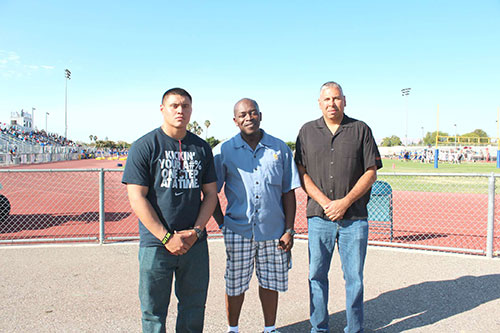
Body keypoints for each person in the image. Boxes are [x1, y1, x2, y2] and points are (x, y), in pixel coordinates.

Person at [122, 87, 218, 332]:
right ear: (162, 109)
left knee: (193, 309)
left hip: (194, 243)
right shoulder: (144, 146)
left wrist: (196, 231)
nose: (180, 110)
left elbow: (210, 194)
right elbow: (137, 198)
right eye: (174, 105)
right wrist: (166, 237)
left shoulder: (201, 148)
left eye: (185, 106)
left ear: (191, 110)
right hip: (156, 245)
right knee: (153, 313)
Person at [295, 81, 383, 333]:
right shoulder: (307, 131)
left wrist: (344, 202)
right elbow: (302, 173)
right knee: (316, 276)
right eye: (326, 99)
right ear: (319, 103)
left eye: (336, 98)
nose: (331, 103)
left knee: (354, 279)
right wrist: (325, 203)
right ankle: (319, 328)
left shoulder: (360, 129)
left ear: (344, 100)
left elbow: (371, 172)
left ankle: (354, 328)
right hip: (319, 218)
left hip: (354, 218)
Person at [213, 98, 301, 333]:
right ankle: (233, 329)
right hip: (238, 231)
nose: (248, 118)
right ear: (235, 120)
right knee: (235, 285)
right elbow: (211, 192)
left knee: (270, 283)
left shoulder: (279, 148)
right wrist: (223, 224)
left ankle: (270, 328)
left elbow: (288, 192)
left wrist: (289, 229)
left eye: (253, 113)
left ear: (261, 116)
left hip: (274, 231)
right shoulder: (223, 151)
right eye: (242, 115)